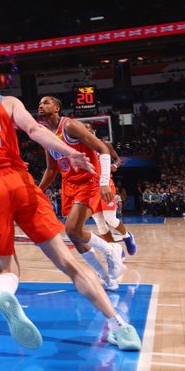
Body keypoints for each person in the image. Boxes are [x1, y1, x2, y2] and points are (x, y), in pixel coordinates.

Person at [0, 59, 140, 351]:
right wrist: (70, 152)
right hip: (20, 182)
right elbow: (34, 131)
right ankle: (119, 326)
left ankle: (7, 292)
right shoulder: (8, 102)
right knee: (67, 261)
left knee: (7, 271)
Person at [36, 97, 125, 290]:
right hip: (69, 185)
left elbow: (102, 148)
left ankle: (112, 250)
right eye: (39, 103)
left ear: (57, 107)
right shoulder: (45, 135)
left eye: (46, 102)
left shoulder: (70, 126)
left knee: (72, 230)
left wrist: (104, 182)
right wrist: (38, 191)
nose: (41, 106)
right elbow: (51, 169)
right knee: (75, 238)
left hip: (89, 181)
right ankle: (106, 278)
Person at [84, 125, 138, 255]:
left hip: (105, 183)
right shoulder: (80, 148)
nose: (86, 131)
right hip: (90, 187)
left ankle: (127, 236)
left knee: (110, 218)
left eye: (88, 129)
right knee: (100, 224)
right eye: (83, 129)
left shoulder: (104, 145)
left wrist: (115, 165)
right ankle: (116, 251)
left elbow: (118, 159)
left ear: (93, 131)